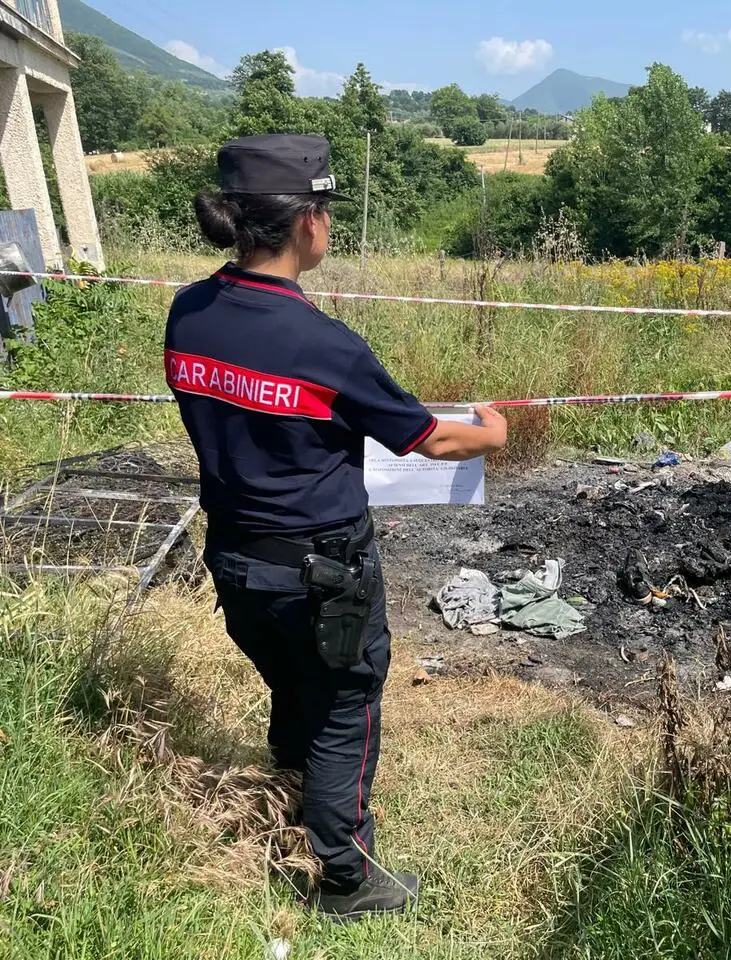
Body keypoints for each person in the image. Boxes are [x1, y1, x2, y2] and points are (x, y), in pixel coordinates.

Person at [164, 134, 507, 922]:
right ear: (308, 223)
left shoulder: (190, 312)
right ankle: (348, 879)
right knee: (345, 707)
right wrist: (491, 431)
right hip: (323, 568)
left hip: (236, 557)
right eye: (325, 212)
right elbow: (431, 438)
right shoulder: (323, 344)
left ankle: (289, 796)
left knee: (292, 682)